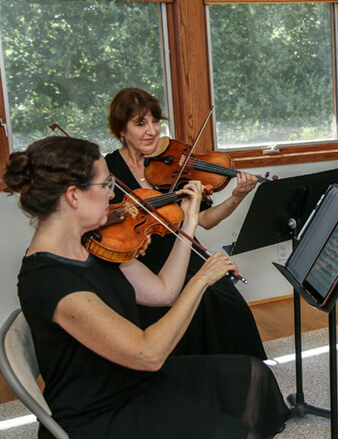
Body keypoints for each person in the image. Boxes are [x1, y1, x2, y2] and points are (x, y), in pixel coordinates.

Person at [4, 136, 289, 439]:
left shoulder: (95, 244)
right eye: (107, 183)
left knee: (253, 376)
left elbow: (163, 292)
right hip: (99, 416)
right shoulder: (50, 281)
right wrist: (201, 280)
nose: (114, 194)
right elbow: (149, 353)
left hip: (131, 381)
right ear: (73, 196)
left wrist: (189, 222)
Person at [105, 88, 266, 359]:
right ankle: (197, 372)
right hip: (142, 261)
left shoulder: (170, 166)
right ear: (121, 130)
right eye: (140, 123)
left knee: (226, 299)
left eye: (155, 121)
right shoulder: (108, 170)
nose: (152, 131)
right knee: (201, 302)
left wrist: (237, 196)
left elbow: (204, 220)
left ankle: (241, 373)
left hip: (183, 251)